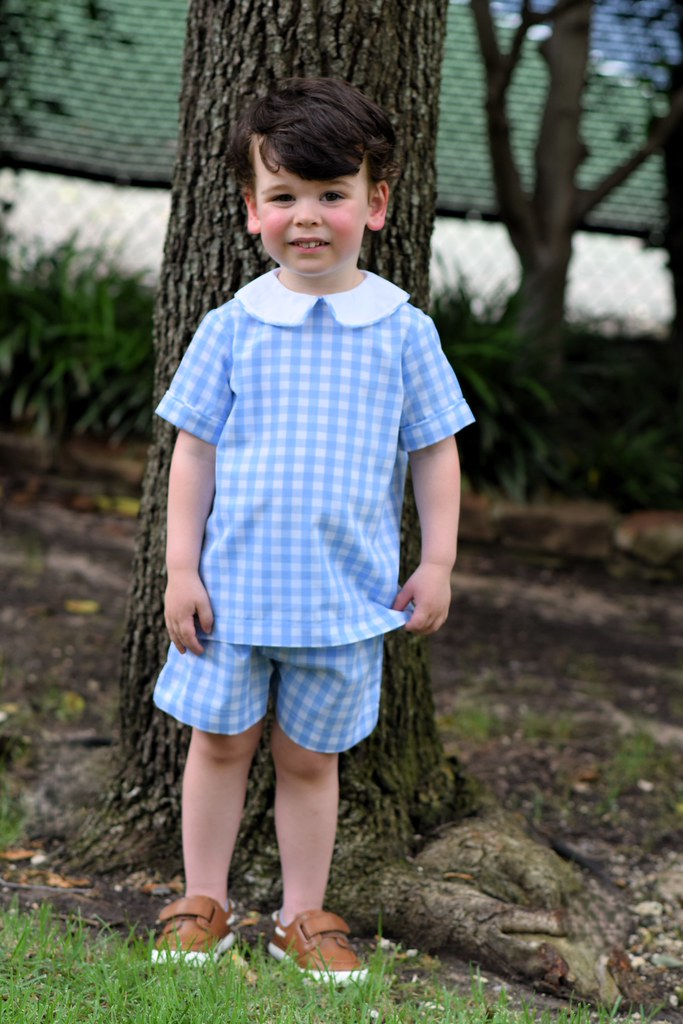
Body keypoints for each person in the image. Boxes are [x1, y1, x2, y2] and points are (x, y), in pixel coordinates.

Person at [151, 76, 474, 982]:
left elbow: (435, 452)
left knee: (308, 758)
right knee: (218, 744)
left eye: (331, 194)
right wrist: (180, 569)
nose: (306, 217)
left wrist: (438, 562)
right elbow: (192, 455)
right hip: (229, 598)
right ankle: (202, 902)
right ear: (251, 209)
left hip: (342, 603)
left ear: (375, 204)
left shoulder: (402, 331)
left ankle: (302, 913)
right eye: (284, 195)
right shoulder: (231, 326)